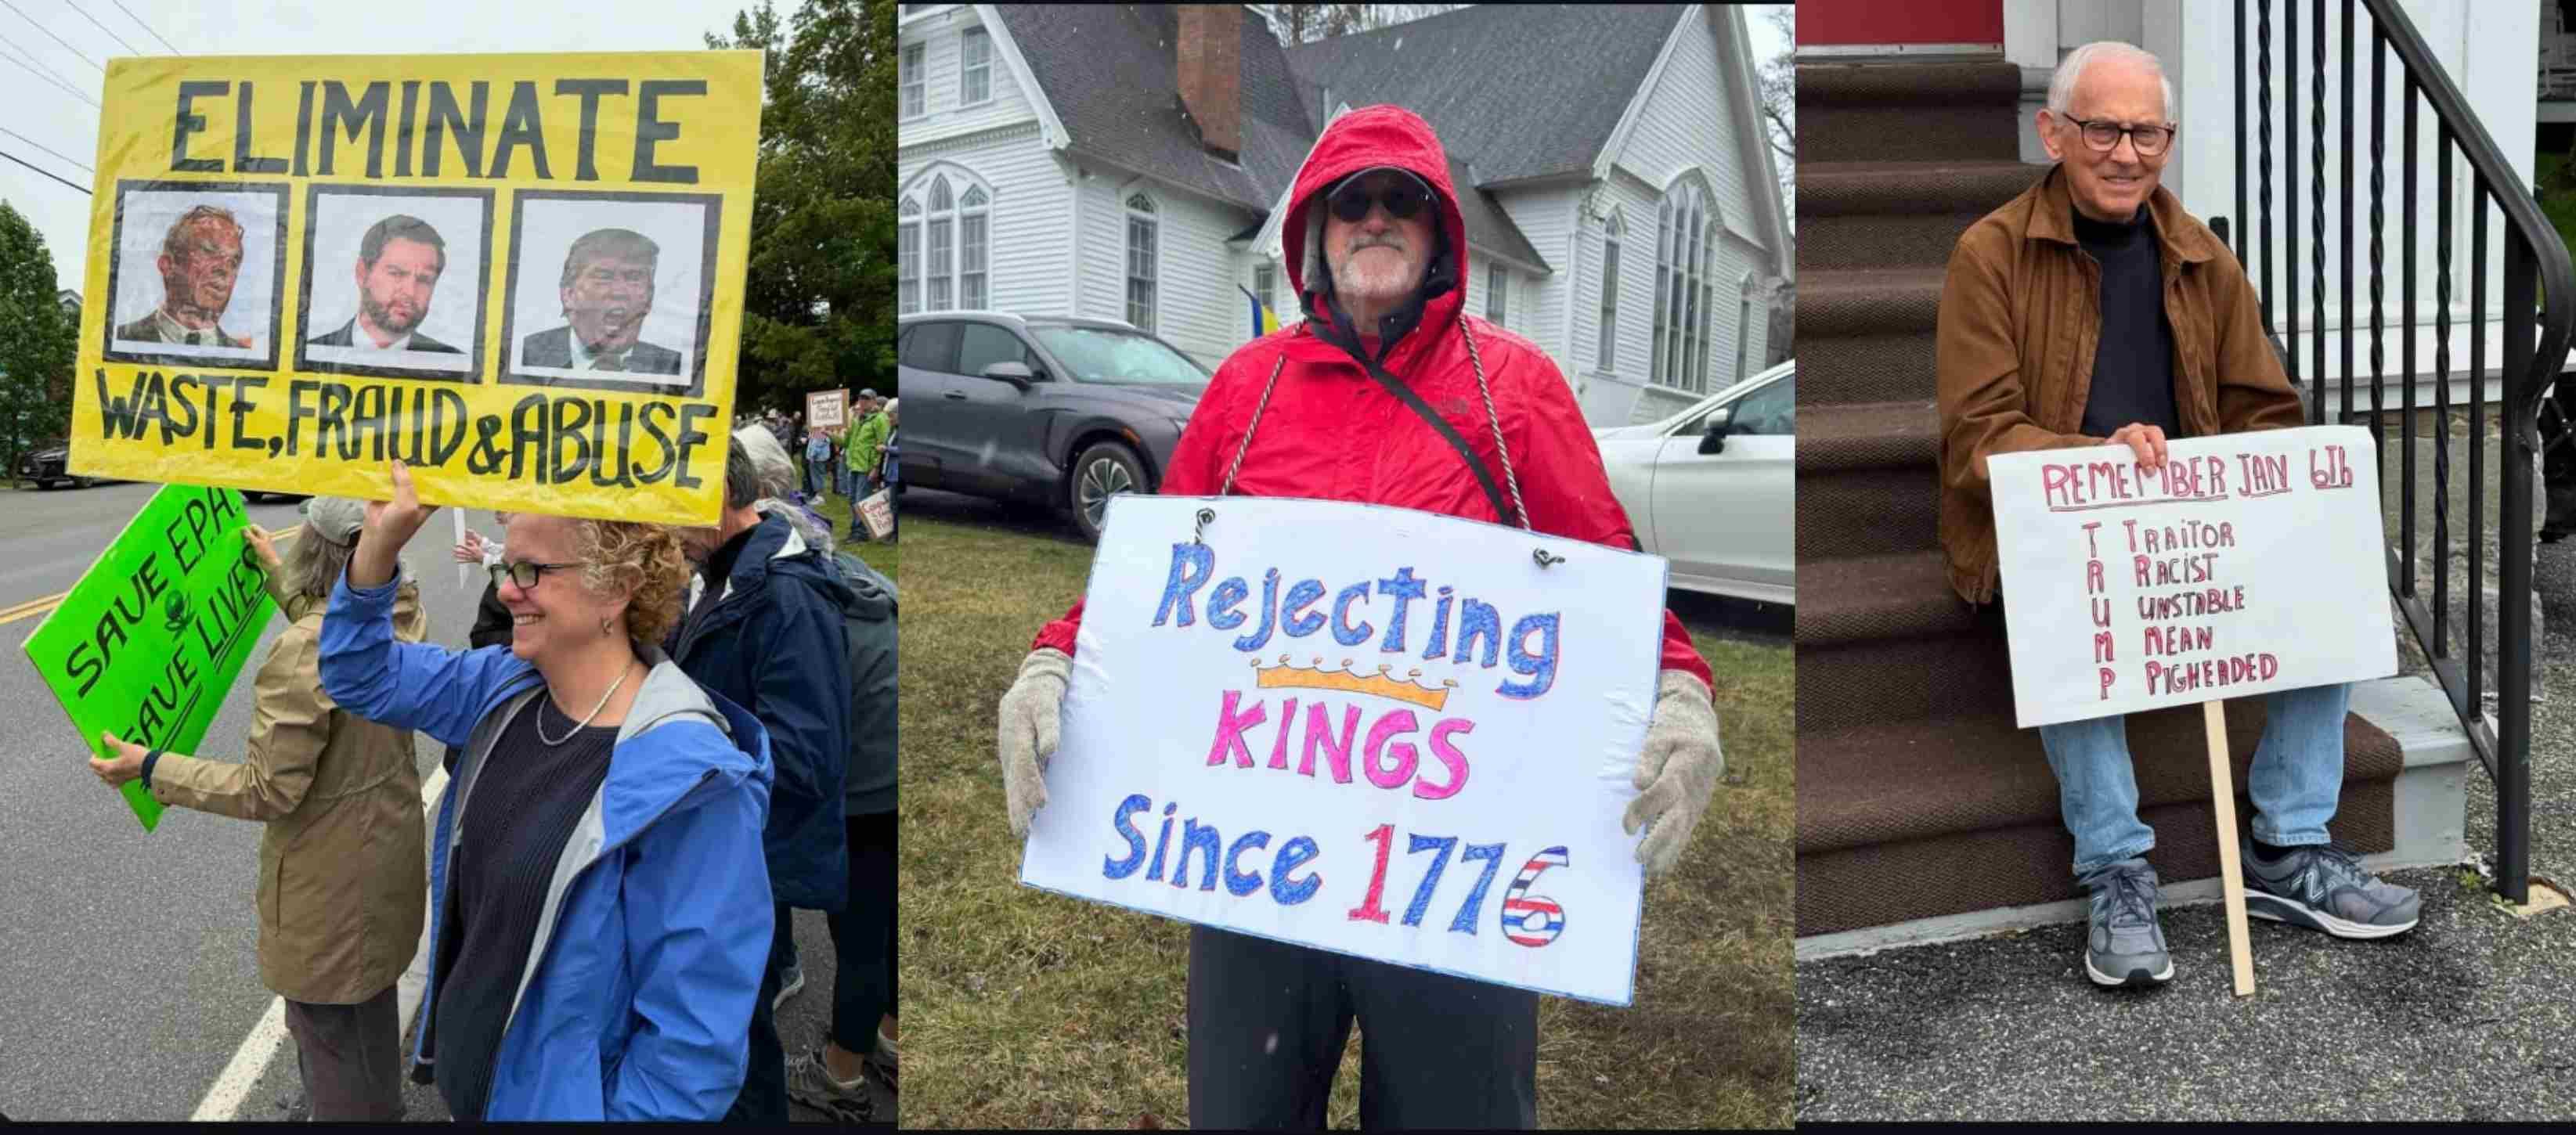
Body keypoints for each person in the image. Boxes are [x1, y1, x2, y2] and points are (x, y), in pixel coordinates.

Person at [991, 104, 1724, 1129]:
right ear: (1311, 234)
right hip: (1258, 850)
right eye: (1350, 200)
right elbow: (1155, 580)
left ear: (1437, 235)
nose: (1374, 218)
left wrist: (1679, 690)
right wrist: (1056, 659)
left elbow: (1607, 576)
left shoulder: (1513, 389)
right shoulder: (1247, 388)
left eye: (1402, 200)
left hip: (1456, 866)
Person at [1933, 41, 2421, 990]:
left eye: (2145, 131)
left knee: (2328, 564)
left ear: (2165, 139)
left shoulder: (2199, 255)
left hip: (2183, 521)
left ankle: (2287, 845)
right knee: (2065, 598)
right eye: (2102, 129)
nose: (2125, 152)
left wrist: (2269, 496)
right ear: (2053, 133)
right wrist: (2095, 460)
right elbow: (1974, 441)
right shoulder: (1988, 253)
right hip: (2057, 526)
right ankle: (2114, 865)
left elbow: (2262, 410)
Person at [316, 459, 776, 1119]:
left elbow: (693, 1046)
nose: (506, 591)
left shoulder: (693, 784)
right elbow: (359, 675)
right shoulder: (504, 689)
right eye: (508, 569)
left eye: (532, 570)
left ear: (616, 588)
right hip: (476, 1088)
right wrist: (378, 549)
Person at [86, 499, 425, 1121]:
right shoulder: (403, 608)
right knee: (366, 1010)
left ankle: (347, 1108)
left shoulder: (303, 653)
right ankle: (360, 1099)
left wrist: (152, 766)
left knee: (325, 1023)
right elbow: (343, 634)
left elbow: (266, 788)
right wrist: (276, 572)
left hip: (329, 890)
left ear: (319, 551)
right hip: (386, 860)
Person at [669, 436, 855, 1123]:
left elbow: (808, 754)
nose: (662, 522)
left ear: (718, 498)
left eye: (672, 504)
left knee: (740, 1049)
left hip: (745, 855)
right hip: (721, 845)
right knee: (725, 1032)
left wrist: (685, 759)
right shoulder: (718, 573)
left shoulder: (786, 597)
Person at [784, 554, 899, 1122]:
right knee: (887, 927)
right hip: (893, 783)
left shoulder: (810, 620)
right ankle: (892, 1039)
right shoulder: (873, 588)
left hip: (863, 796)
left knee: (858, 940)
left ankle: (841, 1074)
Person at [519, 229, 684, 374]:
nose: (619, 292)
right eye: (603, 277)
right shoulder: (525, 354)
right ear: (569, 295)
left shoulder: (673, 367)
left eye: (634, 278)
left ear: (649, 299)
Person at [307, 214, 462, 353]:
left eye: (424, 280)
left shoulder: (454, 364)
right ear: (363, 273)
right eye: (397, 273)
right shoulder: (309, 354)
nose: (410, 292)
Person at [117, 204, 254, 348]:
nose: (225, 269)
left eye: (233, 262)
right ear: (168, 266)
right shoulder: (120, 340)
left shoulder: (247, 357)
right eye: (209, 251)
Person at [803, 426, 833, 501]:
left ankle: (819, 497)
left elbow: (816, 447)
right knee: (818, 477)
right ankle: (817, 496)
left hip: (817, 459)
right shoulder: (818, 434)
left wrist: (812, 457)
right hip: (819, 459)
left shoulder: (819, 434)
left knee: (817, 478)